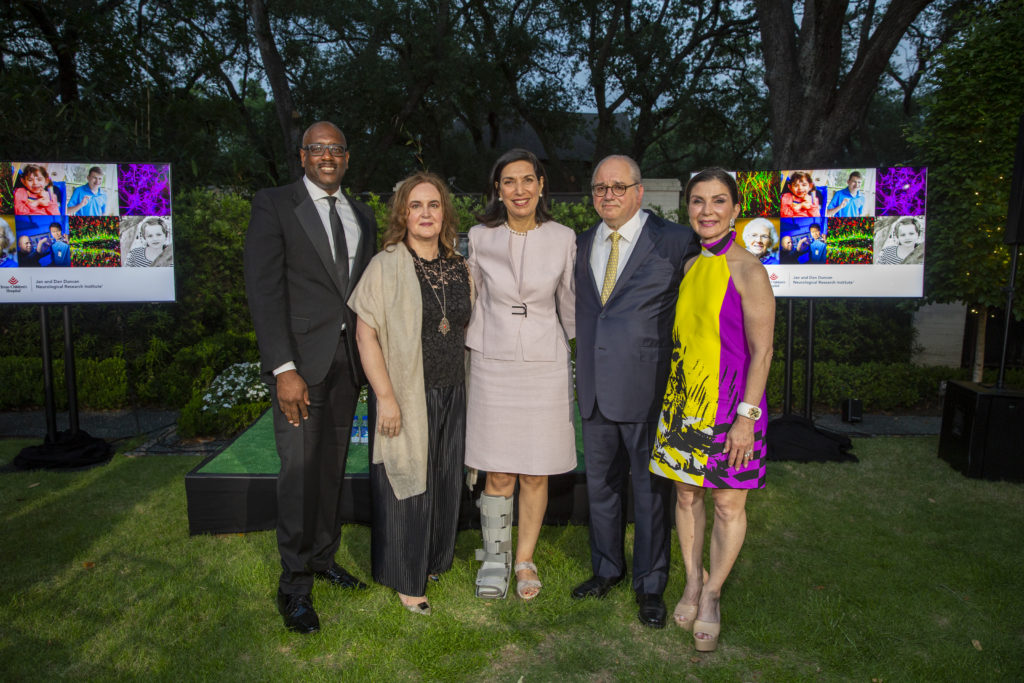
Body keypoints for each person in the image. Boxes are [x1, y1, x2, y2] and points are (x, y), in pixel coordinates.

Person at [243, 121, 377, 634]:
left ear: (347, 158)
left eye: (336, 149)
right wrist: (283, 368)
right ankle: (294, 585)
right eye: (317, 148)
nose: (327, 156)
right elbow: (264, 290)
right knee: (298, 475)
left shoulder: (361, 213)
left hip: (347, 366)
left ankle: (323, 559)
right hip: (299, 368)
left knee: (330, 470)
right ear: (302, 156)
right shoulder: (274, 205)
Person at [650, 167, 774, 652]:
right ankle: (692, 581)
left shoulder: (748, 269)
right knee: (685, 499)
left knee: (727, 504)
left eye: (718, 201)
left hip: (733, 411)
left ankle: (714, 593)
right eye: (698, 202)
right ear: (689, 209)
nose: (707, 211)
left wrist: (747, 418)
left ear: (736, 210)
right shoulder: (689, 267)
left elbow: (762, 353)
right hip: (684, 408)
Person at [572, 154, 698, 629]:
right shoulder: (584, 242)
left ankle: (650, 585)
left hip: (647, 390)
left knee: (648, 494)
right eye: (600, 187)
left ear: (639, 192)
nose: (608, 195)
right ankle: (606, 570)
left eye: (618, 187)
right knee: (601, 488)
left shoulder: (675, 240)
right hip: (595, 390)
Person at [349, 172, 472, 616]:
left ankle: (435, 560)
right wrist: (385, 396)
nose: (425, 214)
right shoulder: (386, 264)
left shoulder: (459, 265)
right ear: (403, 213)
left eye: (434, 205)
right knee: (406, 483)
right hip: (405, 394)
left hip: (453, 391)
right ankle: (406, 577)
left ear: (445, 213)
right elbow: (366, 335)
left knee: (443, 481)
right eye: (416, 205)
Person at [464, 149, 576, 601]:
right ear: (498, 190)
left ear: (541, 185)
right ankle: (494, 558)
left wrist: (582, 354)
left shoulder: (564, 237)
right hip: (492, 362)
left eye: (527, 180)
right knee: (499, 470)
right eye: (509, 182)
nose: (519, 190)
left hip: (545, 364)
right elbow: (468, 297)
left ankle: (525, 559)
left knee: (535, 471)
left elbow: (569, 303)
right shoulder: (478, 236)